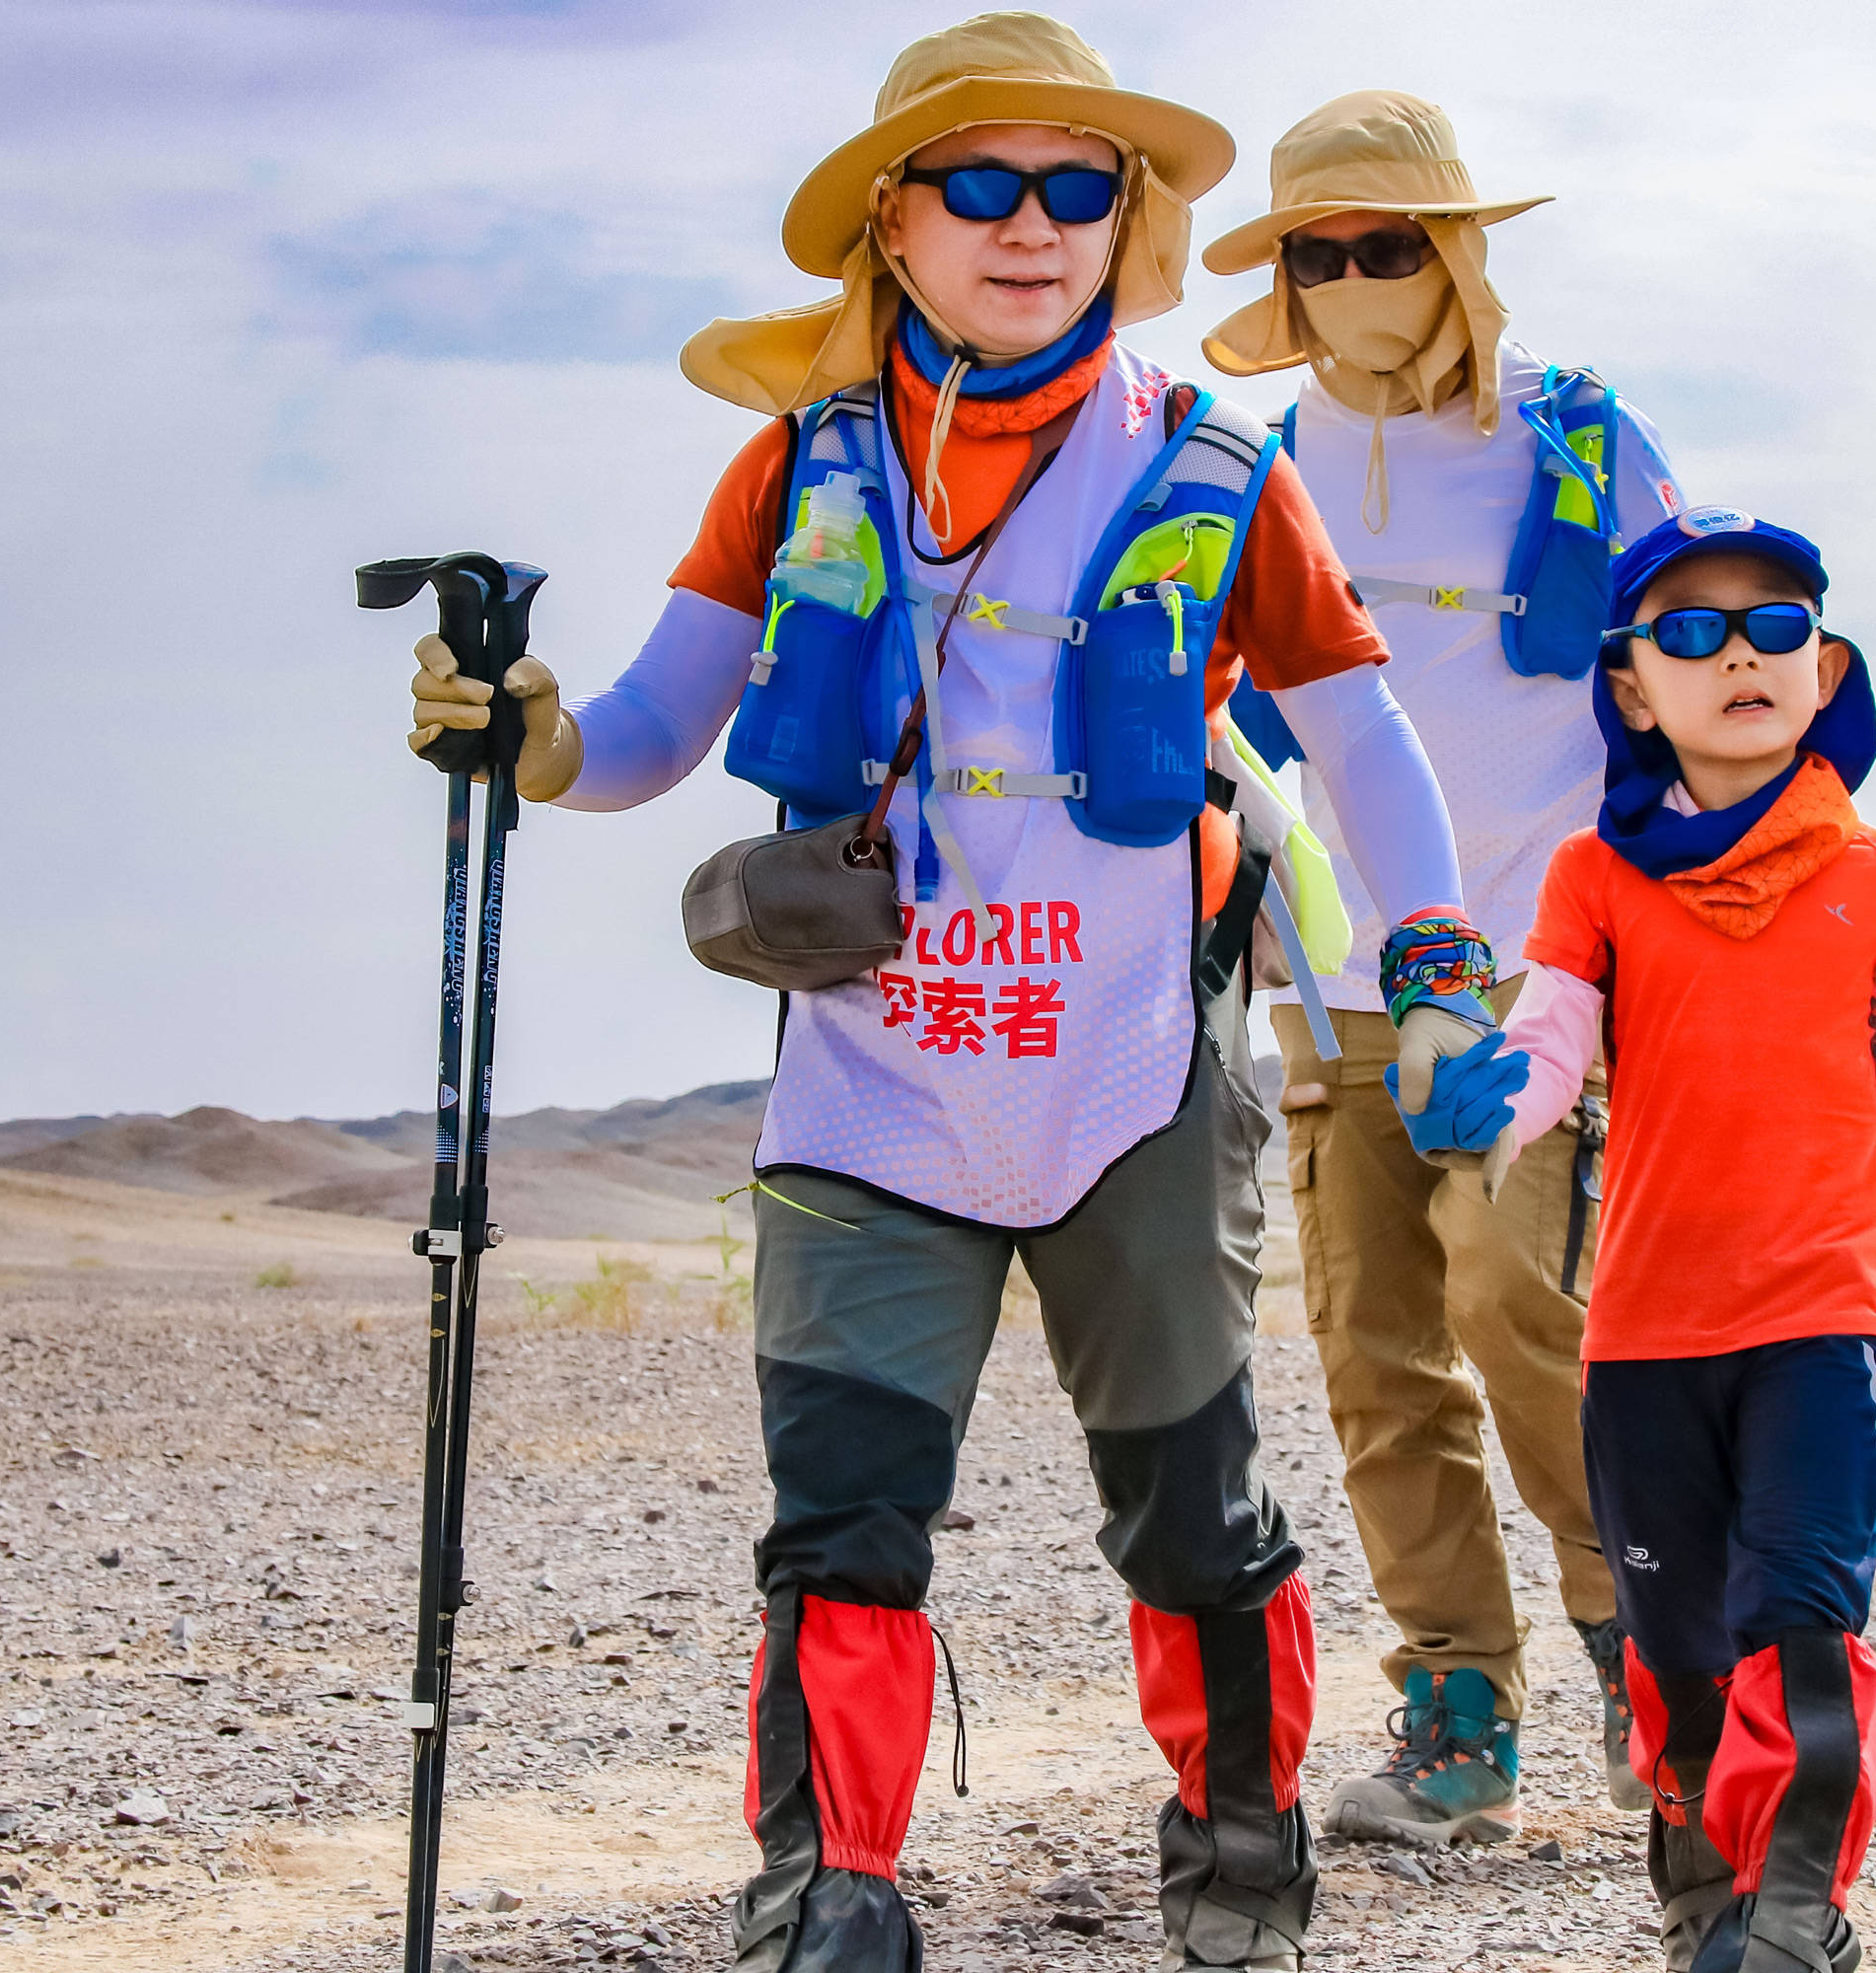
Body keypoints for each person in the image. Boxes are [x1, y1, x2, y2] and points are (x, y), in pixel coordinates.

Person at [397, 17, 1509, 1969]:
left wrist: (1426, 975)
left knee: (1193, 1511)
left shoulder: (1211, 468)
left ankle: (1237, 1834)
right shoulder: (796, 463)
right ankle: (830, 1881)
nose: (1029, 222)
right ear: (889, 227)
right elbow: (657, 725)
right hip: (870, 1077)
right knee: (843, 1516)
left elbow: (1369, 745)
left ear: (1124, 225)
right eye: (976, 184)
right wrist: (531, 735)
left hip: (1129, 1075)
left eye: (1075, 187)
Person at [1398, 507, 1876, 1973]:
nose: (1733, 653)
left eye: (1771, 627)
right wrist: (1491, 1100)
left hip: (1820, 1319)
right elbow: (1551, 1045)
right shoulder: (1594, 880)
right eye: (1688, 632)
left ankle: (1793, 1914)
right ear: (1630, 686)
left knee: (1798, 1621)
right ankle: (1705, 1906)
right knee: (1677, 1656)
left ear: (1824, 668)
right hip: (1644, 1338)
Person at [1194, 89, 1690, 1846]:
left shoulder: (1587, 445)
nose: (1349, 281)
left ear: (1457, 254)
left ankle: (1641, 1639)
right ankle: (1455, 1712)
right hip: (1334, 982)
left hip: (1552, 973)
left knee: (1514, 1289)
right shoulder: (1248, 466)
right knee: (1378, 1344)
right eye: (1313, 255)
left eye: (1386, 245)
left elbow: (1690, 684)